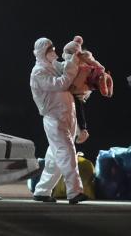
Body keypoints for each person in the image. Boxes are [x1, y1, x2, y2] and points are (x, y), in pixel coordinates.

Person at [30, 37, 88, 204]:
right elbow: (61, 84)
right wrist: (71, 67)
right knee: (67, 153)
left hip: (66, 116)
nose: (54, 52)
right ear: (43, 53)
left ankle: (41, 191)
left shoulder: (53, 67)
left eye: (54, 49)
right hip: (54, 118)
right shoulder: (38, 72)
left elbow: (70, 83)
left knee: (54, 159)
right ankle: (74, 192)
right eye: (50, 50)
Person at [56, 36, 113, 144]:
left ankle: (82, 130)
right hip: (85, 85)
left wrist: (100, 69)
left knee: (77, 104)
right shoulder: (75, 61)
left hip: (85, 82)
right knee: (77, 103)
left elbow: (86, 69)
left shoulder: (81, 59)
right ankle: (81, 130)